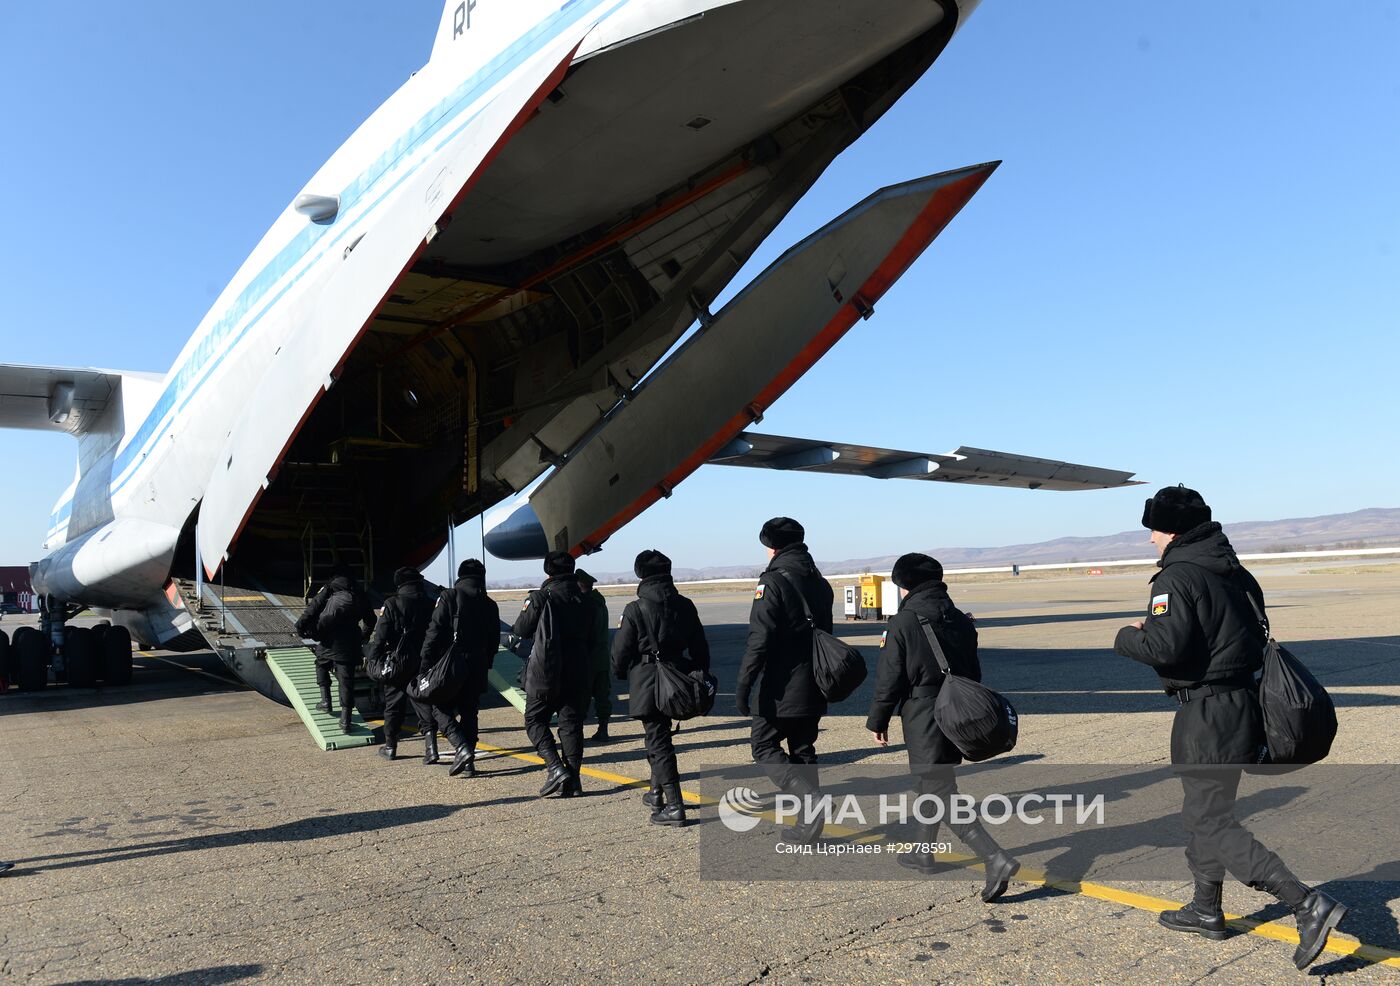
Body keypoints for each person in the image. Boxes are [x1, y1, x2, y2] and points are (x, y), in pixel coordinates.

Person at [1114, 485, 1347, 971]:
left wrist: (1127, 638)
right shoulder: (1235, 572)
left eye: (1153, 530)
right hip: (1243, 705)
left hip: (1207, 714)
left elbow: (1167, 649)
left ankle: (1304, 903)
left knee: (1208, 820)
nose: (1150, 540)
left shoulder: (1176, 577)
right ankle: (1205, 908)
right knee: (1206, 812)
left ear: (1171, 529)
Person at [866, 553, 1019, 901]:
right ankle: (923, 852)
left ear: (905, 585)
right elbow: (973, 673)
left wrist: (878, 719)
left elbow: (889, 677)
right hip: (956, 712)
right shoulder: (961, 620)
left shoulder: (903, 622)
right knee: (933, 784)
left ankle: (995, 858)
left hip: (924, 715)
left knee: (941, 791)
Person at [734, 517, 832, 843]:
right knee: (803, 748)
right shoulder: (820, 581)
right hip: (817, 679)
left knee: (763, 746)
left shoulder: (773, 582)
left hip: (781, 682)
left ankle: (811, 801)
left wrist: (744, 685)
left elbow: (759, 639)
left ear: (772, 546)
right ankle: (809, 826)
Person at [611, 550, 711, 827]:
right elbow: (700, 646)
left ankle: (675, 805)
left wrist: (620, 673)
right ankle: (656, 793)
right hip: (678, 676)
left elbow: (621, 650)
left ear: (640, 574)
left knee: (658, 740)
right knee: (660, 737)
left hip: (648, 680)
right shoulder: (686, 604)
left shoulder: (635, 608)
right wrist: (700, 675)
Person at [511, 551, 597, 798]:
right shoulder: (587, 600)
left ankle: (555, 767)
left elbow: (521, 629)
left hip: (546, 670)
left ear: (548, 571)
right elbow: (593, 638)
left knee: (535, 720)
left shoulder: (541, 597)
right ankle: (574, 781)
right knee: (571, 725)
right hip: (578, 668)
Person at [420, 559, 501, 777]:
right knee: (469, 712)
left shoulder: (450, 596)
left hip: (452, 664)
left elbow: (434, 632)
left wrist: (425, 663)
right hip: (479, 664)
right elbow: (494, 640)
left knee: (438, 706)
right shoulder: (490, 604)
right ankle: (469, 763)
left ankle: (461, 747)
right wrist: (488, 662)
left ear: (460, 575)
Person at [295, 565, 377, 733]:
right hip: (350, 643)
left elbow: (314, 607)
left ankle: (326, 702)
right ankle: (345, 721)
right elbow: (371, 619)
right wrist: (364, 636)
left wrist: (302, 626)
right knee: (346, 681)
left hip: (329, 640)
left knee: (321, 664)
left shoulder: (330, 587)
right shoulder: (359, 593)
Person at [366, 567, 436, 761]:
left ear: (399, 584)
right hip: (423, 661)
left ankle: (390, 747)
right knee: (423, 702)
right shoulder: (430, 604)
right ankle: (431, 748)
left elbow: (380, 637)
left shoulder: (392, 604)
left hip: (398, 663)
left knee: (393, 705)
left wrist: (373, 660)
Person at [575, 569, 613, 743]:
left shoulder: (586, 604)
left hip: (588, 659)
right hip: (602, 658)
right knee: (602, 695)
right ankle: (603, 729)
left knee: (582, 697)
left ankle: (577, 733)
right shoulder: (600, 602)